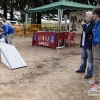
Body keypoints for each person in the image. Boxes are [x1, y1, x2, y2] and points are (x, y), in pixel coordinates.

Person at [75, 11, 94, 79]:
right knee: (83, 57)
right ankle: (82, 69)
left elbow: (88, 31)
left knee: (90, 60)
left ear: (90, 18)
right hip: (84, 44)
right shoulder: (86, 24)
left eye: (86, 16)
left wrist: (83, 25)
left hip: (88, 45)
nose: (85, 17)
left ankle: (89, 73)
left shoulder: (92, 24)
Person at [89, 8, 100, 91]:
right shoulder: (96, 23)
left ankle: (97, 83)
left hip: (97, 45)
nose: (92, 15)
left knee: (96, 63)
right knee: (95, 62)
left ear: (97, 14)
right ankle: (95, 79)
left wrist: (98, 44)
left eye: (93, 14)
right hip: (94, 44)